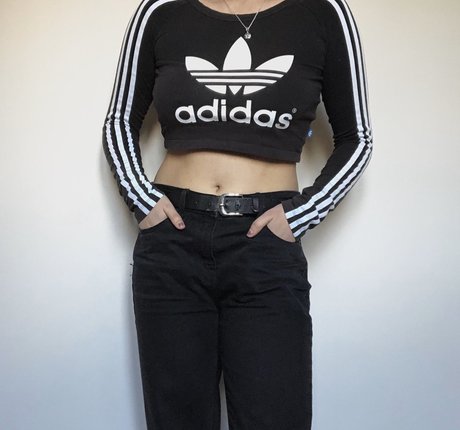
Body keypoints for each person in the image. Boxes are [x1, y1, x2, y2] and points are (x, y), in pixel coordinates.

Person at [101, 0, 373, 428]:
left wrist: (301, 215)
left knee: (275, 416)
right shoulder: (161, 10)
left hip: (264, 244)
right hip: (173, 241)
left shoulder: (323, 12)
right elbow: (119, 120)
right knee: (177, 419)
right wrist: (141, 199)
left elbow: (357, 138)